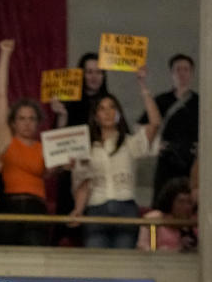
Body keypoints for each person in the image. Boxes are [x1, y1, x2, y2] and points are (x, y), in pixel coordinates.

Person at [71, 76, 161, 248]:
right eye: (102, 109)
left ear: (118, 114)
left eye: (112, 108)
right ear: (95, 116)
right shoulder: (87, 147)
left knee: (124, 264)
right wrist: (78, 209)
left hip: (125, 207)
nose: (107, 112)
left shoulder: (130, 143)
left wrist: (143, 87)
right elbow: (84, 182)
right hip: (96, 208)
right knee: (96, 265)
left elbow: (155, 123)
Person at [0, 40, 49, 246]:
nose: (27, 123)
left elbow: (52, 170)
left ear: (38, 123)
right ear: (13, 122)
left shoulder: (44, 148)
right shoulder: (7, 141)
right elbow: (0, 96)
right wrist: (5, 55)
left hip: (37, 209)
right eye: (22, 118)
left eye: (31, 118)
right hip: (11, 207)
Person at [50, 51, 109, 222]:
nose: (94, 77)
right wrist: (61, 114)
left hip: (101, 175)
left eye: (98, 72)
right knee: (66, 222)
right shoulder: (68, 102)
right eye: (89, 72)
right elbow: (56, 140)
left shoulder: (111, 103)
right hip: (71, 172)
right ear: (81, 74)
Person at [145, 53, 199, 198]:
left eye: (186, 69)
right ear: (172, 73)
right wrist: (156, 145)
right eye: (178, 69)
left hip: (191, 161)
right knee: (163, 200)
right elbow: (144, 127)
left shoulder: (200, 102)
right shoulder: (161, 100)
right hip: (167, 161)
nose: (182, 73)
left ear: (192, 73)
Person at [136, 176, 197, 251]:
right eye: (181, 202)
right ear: (170, 202)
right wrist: (177, 249)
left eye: (189, 202)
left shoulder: (194, 224)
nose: (186, 207)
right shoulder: (154, 220)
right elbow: (149, 250)